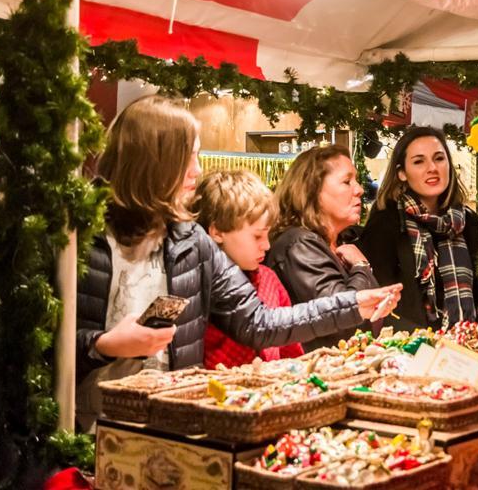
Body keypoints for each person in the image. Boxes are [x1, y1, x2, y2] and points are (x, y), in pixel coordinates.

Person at [76, 96, 399, 429]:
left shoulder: (190, 240)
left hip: (169, 429)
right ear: (153, 159)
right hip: (87, 429)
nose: (197, 170)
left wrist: (353, 303)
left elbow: (258, 322)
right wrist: (103, 345)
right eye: (189, 157)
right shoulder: (79, 235)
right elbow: (41, 348)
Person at [268, 145, 403, 351]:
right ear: (313, 190)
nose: (359, 189)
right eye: (347, 181)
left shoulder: (334, 244)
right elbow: (341, 322)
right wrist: (360, 266)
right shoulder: (299, 245)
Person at [357, 126, 478, 331]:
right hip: (409, 348)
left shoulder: (467, 222)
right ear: (401, 173)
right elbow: (380, 296)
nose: (432, 168)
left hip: (466, 342)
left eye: (439, 158)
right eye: (419, 161)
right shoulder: (386, 223)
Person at [192, 169, 304, 368]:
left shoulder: (269, 280)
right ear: (217, 232)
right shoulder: (197, 286)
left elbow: (292, 355)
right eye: (257, 236)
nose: (267, 245)